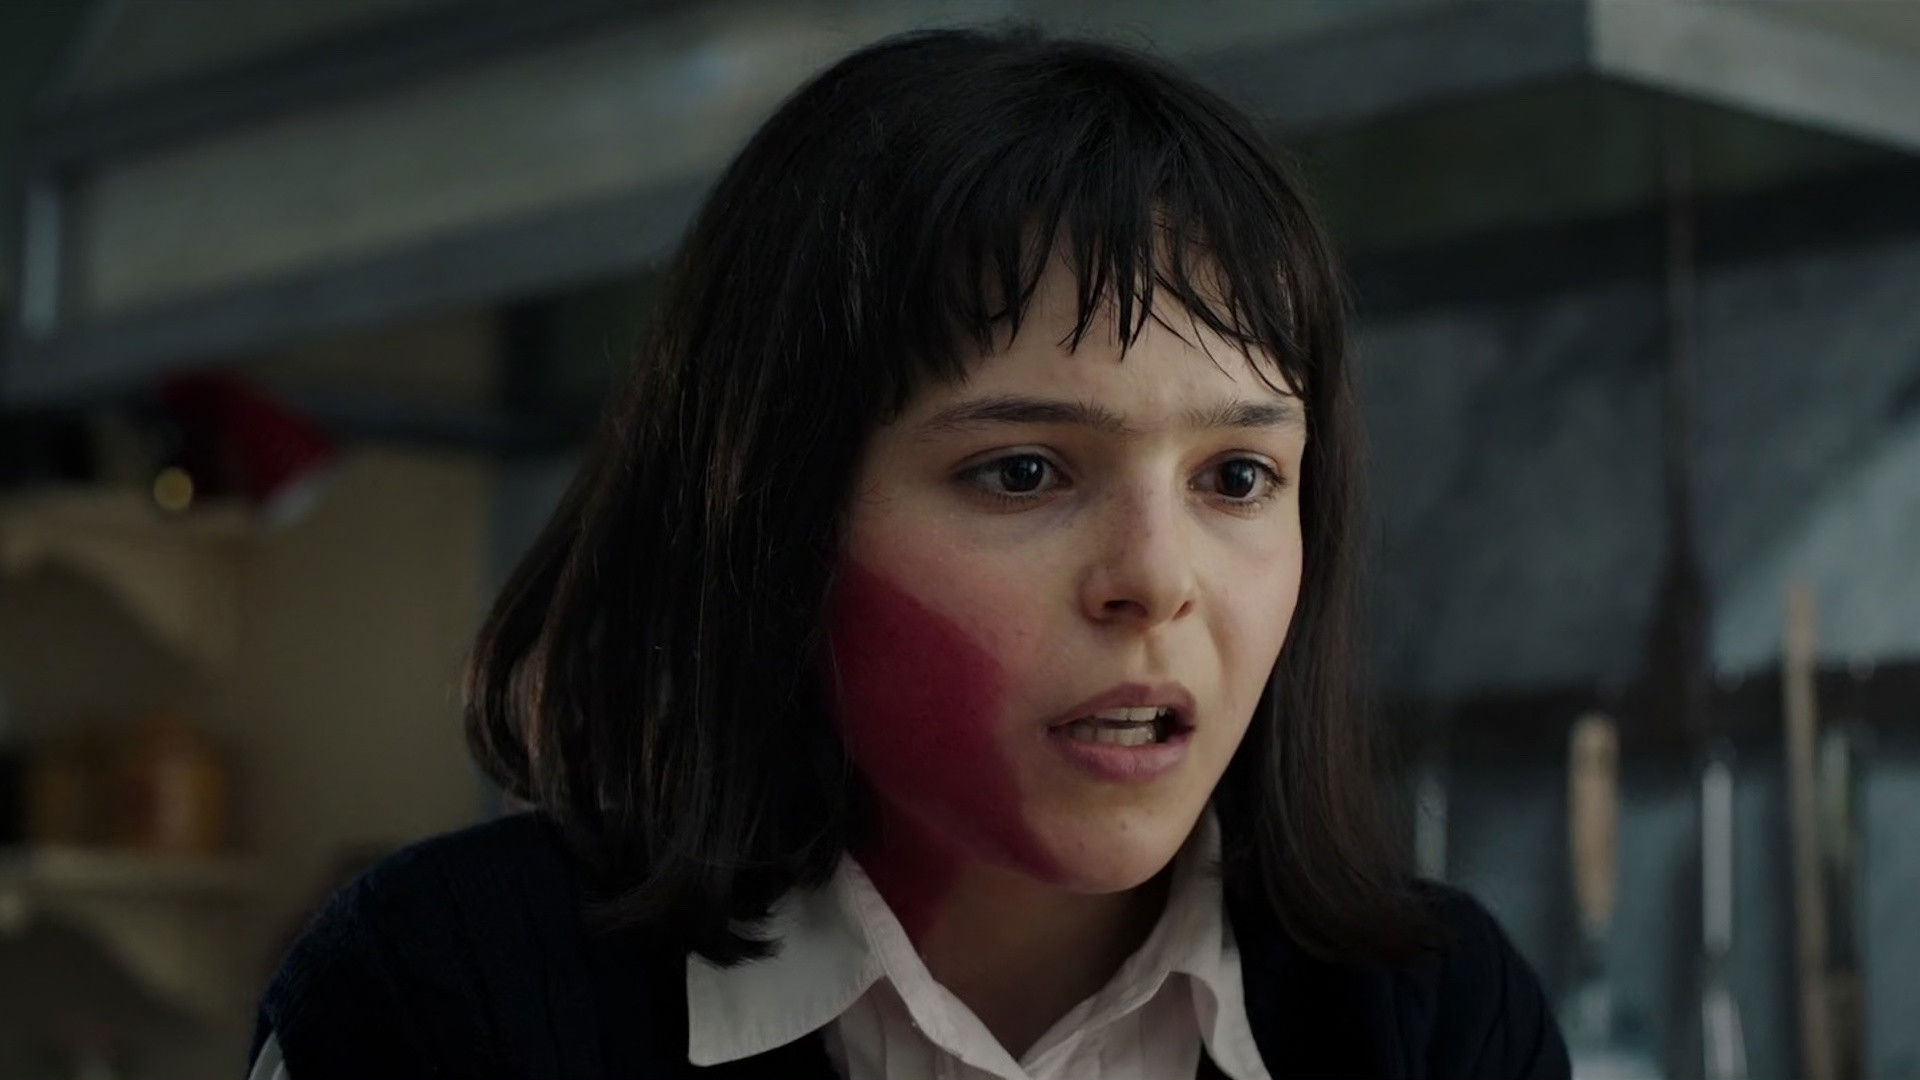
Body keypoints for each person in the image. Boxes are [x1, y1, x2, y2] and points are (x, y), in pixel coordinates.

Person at [248, 25, 1568, 1080]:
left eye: (1237, 477)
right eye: (1024, 471)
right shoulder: (445, 992)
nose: (1158, 580)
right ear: (774, 515)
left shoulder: (1435, 1018)